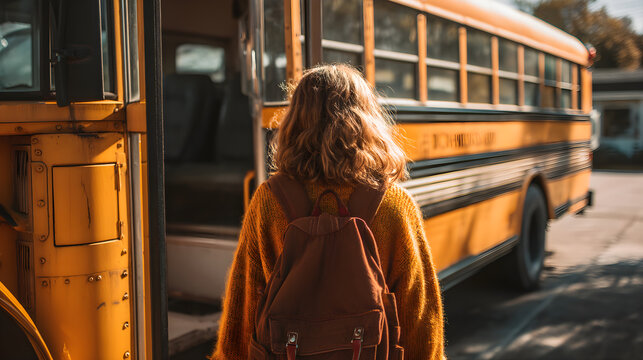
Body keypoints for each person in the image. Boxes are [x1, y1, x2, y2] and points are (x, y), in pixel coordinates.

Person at [210, 64, 445, 359]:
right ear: (366, 120)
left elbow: (244, 305)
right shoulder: (394, 204)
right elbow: (419, 316)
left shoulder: (269, 201)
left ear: (294, 121)